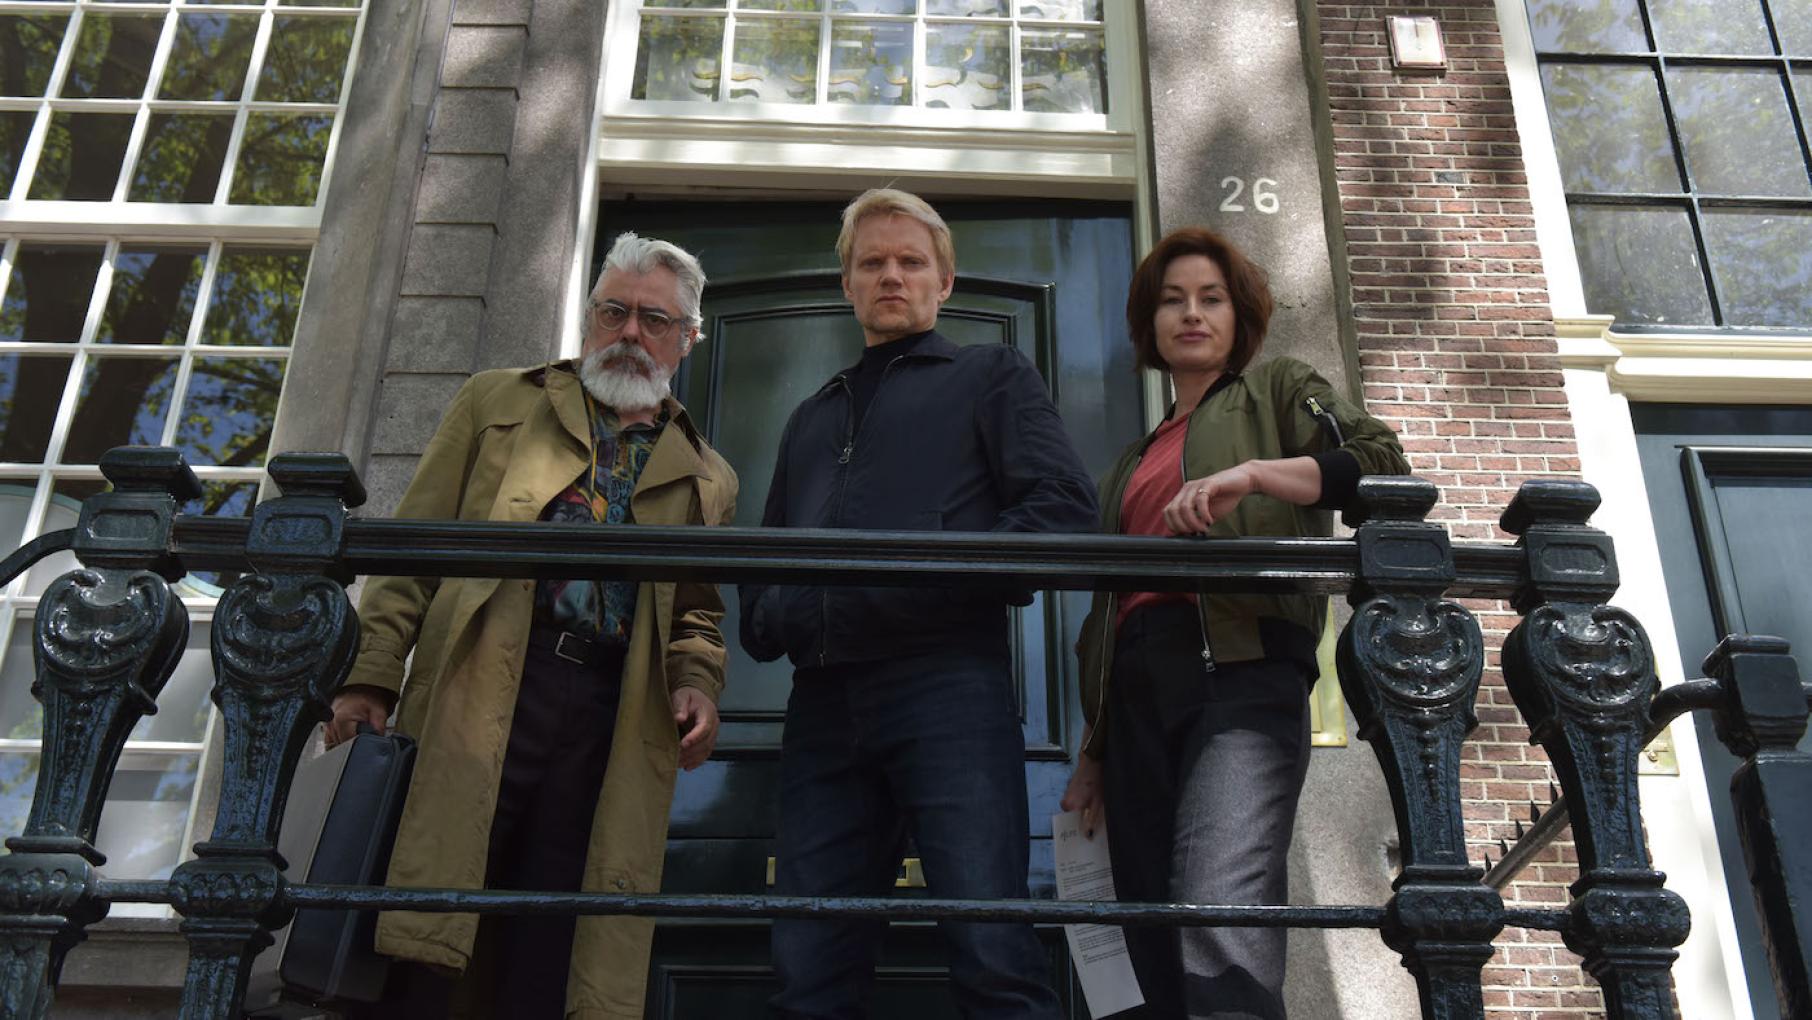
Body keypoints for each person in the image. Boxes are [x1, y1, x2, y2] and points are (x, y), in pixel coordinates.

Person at [325, 232, 738, 1018]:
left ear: (687, 340)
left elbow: (697, 612)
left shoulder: (710, 473)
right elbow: (414, 545)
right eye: (612, 311)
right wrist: (371, 676)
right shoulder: (497, 399)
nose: (627, 333)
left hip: (610, 715)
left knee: (550, 936)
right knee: (427, 919)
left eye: (654, 320)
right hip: (477, 689)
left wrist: (696, 684)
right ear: (589, 315)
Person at [739, 188, 1096, 1019]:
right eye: (872, 263)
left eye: (910, 262)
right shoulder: (811, 415)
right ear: (847, 285)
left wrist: (926, 586)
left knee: (991, 948)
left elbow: (1060, 504)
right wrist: (777, 616)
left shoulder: (988, 376)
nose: (890, 275)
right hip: (822, 703)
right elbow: (765, 553)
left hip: (947, 690)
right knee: (808, 965)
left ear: (944, 281)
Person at [1060, 227, 1410, 1019]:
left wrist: (1253, 475)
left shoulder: (1276, 388)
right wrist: (1093, 747)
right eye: (1172, 301)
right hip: (1137, 702)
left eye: (1210, 299)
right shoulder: (1129, 462)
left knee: (1220, 912)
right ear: (1149, 324)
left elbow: (1382, 462)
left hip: (1240, 674)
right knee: (1145, 939)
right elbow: (1109, 612)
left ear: (1238, 315)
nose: (1191, 313)